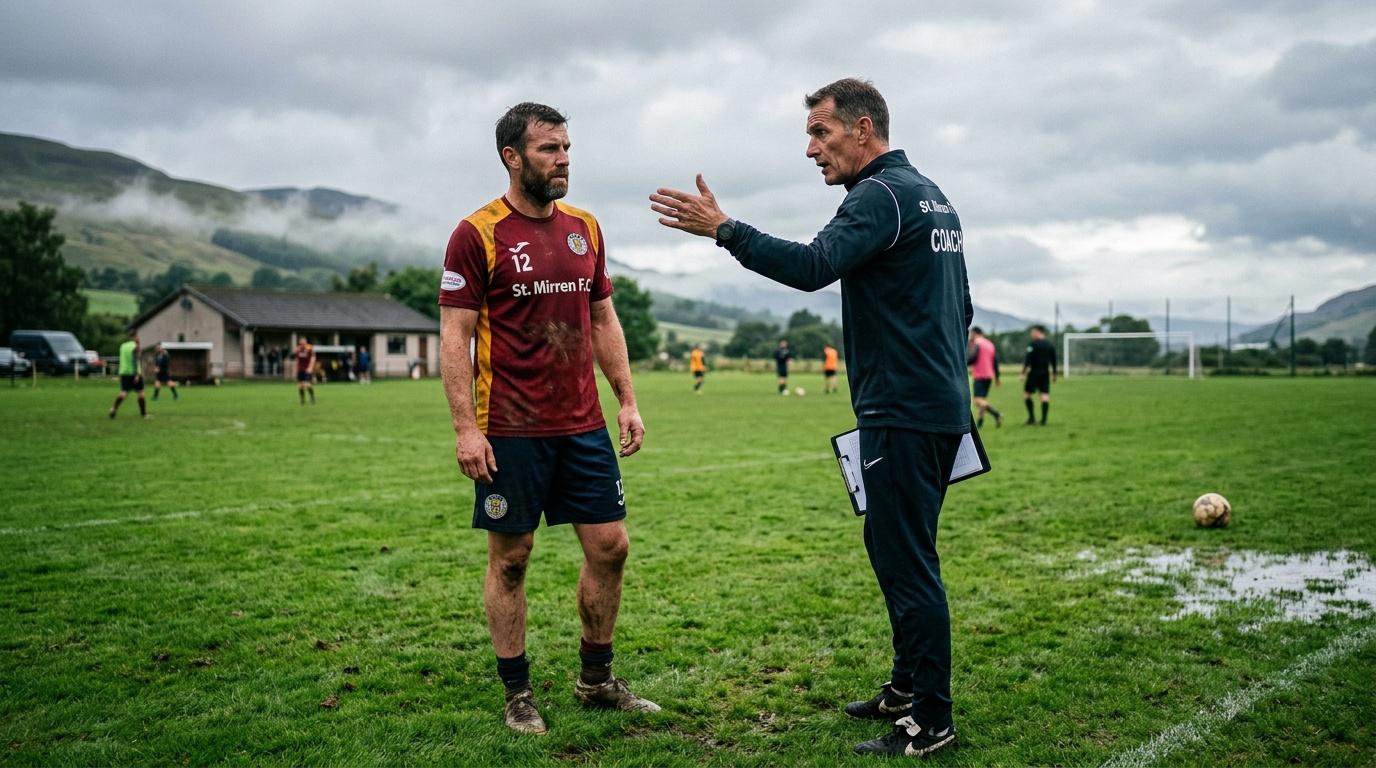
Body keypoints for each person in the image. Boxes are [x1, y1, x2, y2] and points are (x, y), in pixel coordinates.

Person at [651, 77, 970, 758]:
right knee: (893, 548)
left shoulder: (878, 196)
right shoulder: (931, 195)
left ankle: (931, 719)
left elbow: (812, 265)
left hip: (904, 414)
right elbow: (963, 308)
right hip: (936, 407)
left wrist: (725, 230)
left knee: (908, 562)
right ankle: (907, 686)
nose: (810, 149)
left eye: (820, 132)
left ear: (862, 128)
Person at [439, 101, 657, 737]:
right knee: (512, 558)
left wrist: (627, 398)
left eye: (566, 147)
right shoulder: (476, 233)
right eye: (548, 149)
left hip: (583, 425)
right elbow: (455, 336)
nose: (563, 159)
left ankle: (596, 680)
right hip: (508, 427)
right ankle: (518, 693)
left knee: (611, 547)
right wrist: (465, 429)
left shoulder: (585, 227)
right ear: (513, 157)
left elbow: (601, 319)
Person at [1020, 324, 1057, 425]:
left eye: (1033, 332)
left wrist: (1023, 372)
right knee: (1044, 396)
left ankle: (1032, 418)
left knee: (1027, 395)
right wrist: (1054, 374)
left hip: (1033, 374)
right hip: (1045, 374)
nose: (1032, 334)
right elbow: (1054, 361)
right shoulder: (1050, 345)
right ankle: (1044, 420)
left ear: (1038, 332)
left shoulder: (1032, 344)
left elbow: (1028, 359)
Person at [108, 330, 148, 419]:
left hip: (124, 372)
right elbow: (135, 360)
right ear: (135, 336)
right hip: (134, 373)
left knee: (123, 392)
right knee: (141, 393)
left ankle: (113, 409)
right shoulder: (135, 347)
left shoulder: (123, 346)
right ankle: (143, 414)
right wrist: (137, 374)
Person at [967, 328, 1001, 428]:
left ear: (975, 333)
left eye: (971, 334)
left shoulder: (977, 343)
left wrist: (964, 363)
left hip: (980, 375)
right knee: (982, 400)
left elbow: (973, 358)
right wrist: (997, 377)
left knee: (978, 401)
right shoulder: (990, 344)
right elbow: (995, 362)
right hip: (989, 376)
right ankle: (980, 423)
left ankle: (997, 414)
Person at [294, 338, 316, 404]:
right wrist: (296, 368)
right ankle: (302, 400)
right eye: (301, 343)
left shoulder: (309, 348)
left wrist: (310, 367)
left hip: (307, 370)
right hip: (300, 369)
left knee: (307, 385)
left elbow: (313, 358)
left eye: (304, 343)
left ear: (306, 343)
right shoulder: (298, 349)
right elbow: (297, 359)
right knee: (301, 386)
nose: (302, 344)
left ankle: (312, 397)